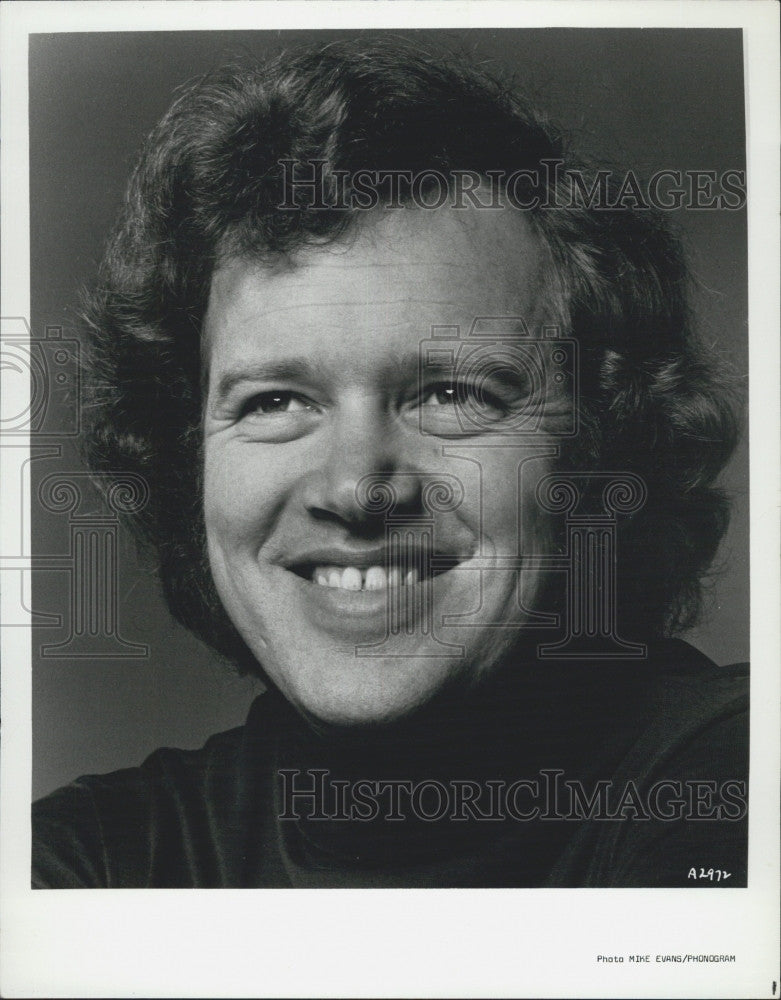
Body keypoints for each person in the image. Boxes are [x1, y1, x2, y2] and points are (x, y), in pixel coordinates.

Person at [32, 40, 747, 888]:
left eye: (450, 394)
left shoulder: (731, 781)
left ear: (597, 448)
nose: (355, 489)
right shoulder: (95, 857)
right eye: (274, 402)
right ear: (189, 465)